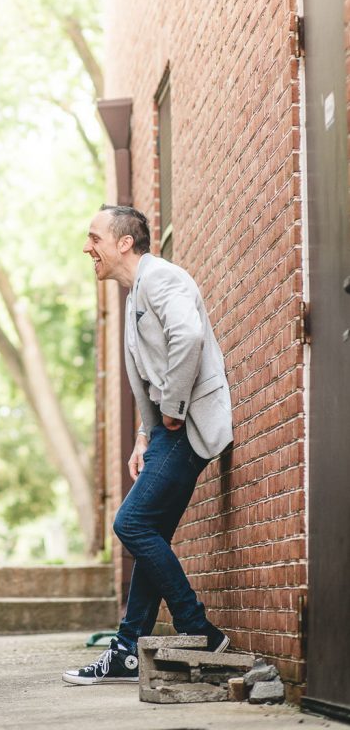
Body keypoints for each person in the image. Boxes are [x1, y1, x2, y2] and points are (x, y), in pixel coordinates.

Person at [63, 205, 233, 686]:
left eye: (93, 237)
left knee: (131, 523)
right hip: (165, 431)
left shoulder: (162, 279)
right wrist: (144, 435)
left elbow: (189, 335)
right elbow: (146, 381)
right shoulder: (133, 292)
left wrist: (174, 410)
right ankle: (126, 650)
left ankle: (197, 627)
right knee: (147, 532)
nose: (86, 247)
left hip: (189, 426)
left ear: (123, 242)